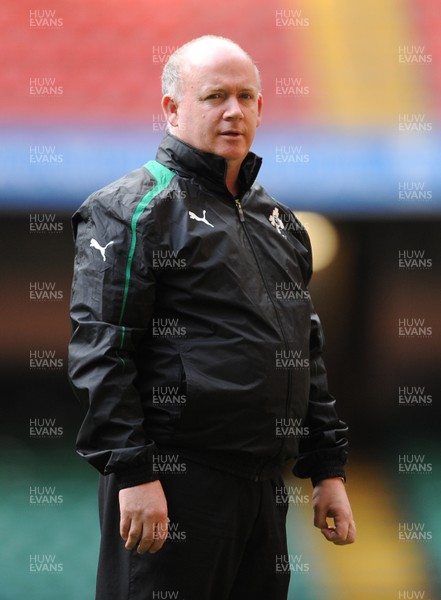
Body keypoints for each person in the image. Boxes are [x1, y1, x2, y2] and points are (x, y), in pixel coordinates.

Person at [68, 35, 356, 600]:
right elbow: (102, 350)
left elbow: (306, 351)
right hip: (174, 484)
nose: (234, 111)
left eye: (246, 97)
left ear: (260, 108)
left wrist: (328, 469)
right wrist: (134, 474)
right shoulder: (128, 211)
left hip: (264, 491)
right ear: (173, 107)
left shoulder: (281, 222)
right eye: (215, 96)